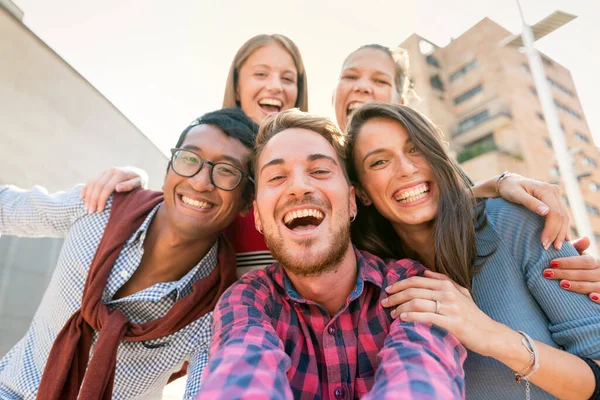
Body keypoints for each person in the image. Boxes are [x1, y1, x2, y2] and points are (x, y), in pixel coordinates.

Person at [81, 40, 600, 298]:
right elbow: (184, 196)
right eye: (351, 76)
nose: (364, 88)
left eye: (379, 81)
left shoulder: (404, 184)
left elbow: (452, 200)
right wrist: (135, 176)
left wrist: (503, 184)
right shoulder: (246, 174)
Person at [199, 109, 467, 399]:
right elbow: (241, 372)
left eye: (320, 171)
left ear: (352, 201)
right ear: (257, 218)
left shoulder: (412, 284)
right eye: (276, 177)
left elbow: (422, 372)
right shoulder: (246, 301)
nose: (299, 187)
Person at [345, 102, 600, 399]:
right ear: (360, 192)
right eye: (379, 162)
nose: (407, 169)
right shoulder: (371, 280)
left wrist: (491, 335)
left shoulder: (515, 223)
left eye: (415, 149)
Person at [0, 108, 257, 399]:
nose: (200, 182)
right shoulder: (99, 207)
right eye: (189, 159)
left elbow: (207, 392)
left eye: (226, 171)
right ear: (168, 169)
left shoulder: (215, 307)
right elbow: (5, 207)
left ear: (247, 202)